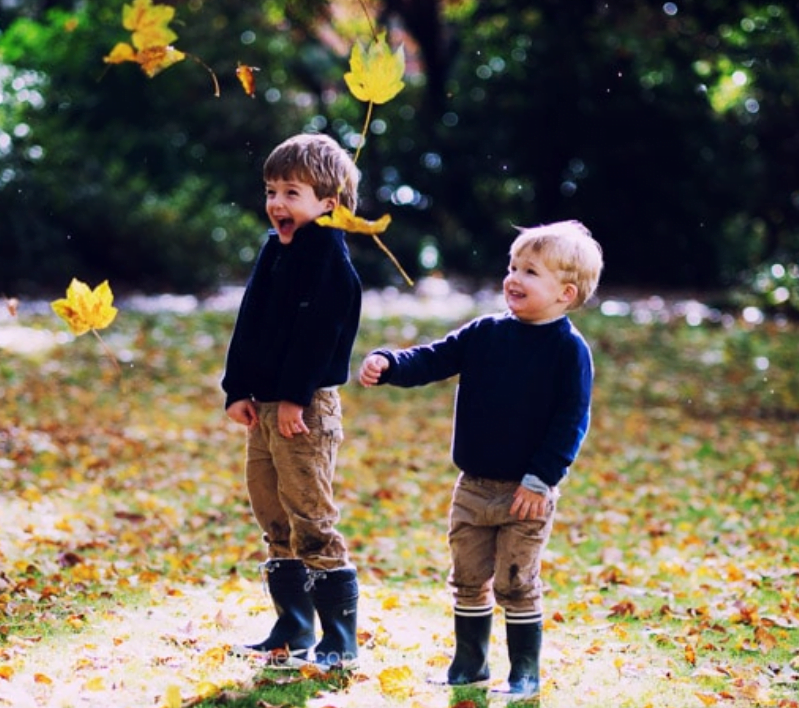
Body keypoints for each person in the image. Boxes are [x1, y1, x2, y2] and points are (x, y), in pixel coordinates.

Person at [358, 220, 603, 700]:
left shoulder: (569, 352)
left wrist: (541, 479)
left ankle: (525, 672)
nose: (513, 277)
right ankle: (469, 664)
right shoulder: (485, 333)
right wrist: (390, 363)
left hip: (526, 492)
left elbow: (571, 420)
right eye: (512, 266)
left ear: (565, 293)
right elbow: (434, 358)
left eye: (530, 271)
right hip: (472, 485)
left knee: (516, 581)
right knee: (468, 578)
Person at [221, 133, 362, 670]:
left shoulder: (328, 256)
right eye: (271, 191)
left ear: (328, 202)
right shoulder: (273, 250)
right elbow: (251, 320)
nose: (277, 203)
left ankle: (339, 639)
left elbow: (320, 333)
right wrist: (238, 388)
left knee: (309, 513)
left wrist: (295, 398)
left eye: (292, 192)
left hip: (304, 408)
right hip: (264, 404)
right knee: (271, 507)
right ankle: (293, 623)